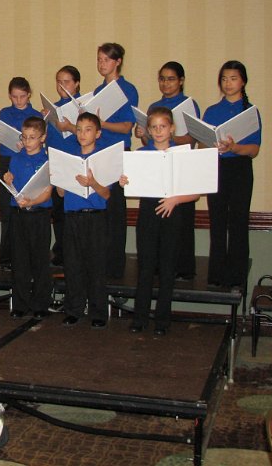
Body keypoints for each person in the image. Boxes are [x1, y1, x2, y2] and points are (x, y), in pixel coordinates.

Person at [119, 107, 200, 336]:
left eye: (162, 126)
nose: (158, 131)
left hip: (172, 213)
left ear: (171, 128)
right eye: (153, 127)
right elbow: (133, 184)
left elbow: (195, 193)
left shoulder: (182, 154)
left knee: (167, 268)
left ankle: (162, 321)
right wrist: (125, 181)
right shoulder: (141, 153)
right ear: (148, 130)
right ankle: (140, 318)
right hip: (148, 214)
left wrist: (175, 199)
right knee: (145, 268)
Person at [136, 61, 201, 282]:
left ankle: (182, 269)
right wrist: (143, 134)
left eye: (171, 79)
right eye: (162, 79)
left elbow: (193, 139)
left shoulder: (189, 104)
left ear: (181, 81)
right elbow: (149, 143)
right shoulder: (154, 106)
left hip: (178, 168)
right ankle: (157, 267)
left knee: (180, 225)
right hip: (156, 174)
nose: (166, 83)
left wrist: (170, 140)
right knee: (154, 229)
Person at [202, 61, 261, 289]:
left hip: (239, 168)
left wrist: (234, 147)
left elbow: (254, 149)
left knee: (238, 221)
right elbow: (202, 143)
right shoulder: (212, 111)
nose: (228, 83)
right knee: (217, 222)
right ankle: (216, 274)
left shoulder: (250, 111)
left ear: (243, 81)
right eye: (224, 79)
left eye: (233, 78)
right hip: (216, 167)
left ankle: (237, 276)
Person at [57, 112, 111, 329]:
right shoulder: (69, 157)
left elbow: (106, 194)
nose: (82, 134)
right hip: (72, 216)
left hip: (95, 217)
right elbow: (61, 193)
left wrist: (92, 183)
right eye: (78, 129)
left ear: (97, 133)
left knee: (96, 265)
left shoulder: (103, 160)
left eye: (88, 130)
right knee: (73, 264)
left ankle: (98, 312)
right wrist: (60, 180)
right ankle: (74, 309)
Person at [2, 116, 53, 320]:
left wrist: (32, 202)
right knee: (19, 260)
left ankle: (40, 304)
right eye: (24, 137)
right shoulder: (16, 158)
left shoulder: (46, 161)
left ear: (43, 138)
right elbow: (13, 187)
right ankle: (20, 304)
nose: (27, 141)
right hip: (19, 214)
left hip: (39, 215)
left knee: (40, 260)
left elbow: (47, 193)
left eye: (32, 137)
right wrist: (8, 180)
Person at [94, 42, 138, 278]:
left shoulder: (127, 89)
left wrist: (102, 123)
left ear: (118, 61)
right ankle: (100, 263)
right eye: (99, 59)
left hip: (119, 153)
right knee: (100, 209)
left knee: (116, 210)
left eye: (106, 60)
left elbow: (126, 127)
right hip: (99, 153)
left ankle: (115, 266)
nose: (102, 64)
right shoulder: (97, 91)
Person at [0, 77, 42, 268]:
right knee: (7, 210)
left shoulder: (36, 115)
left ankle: (27, 257)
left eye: (22, 96)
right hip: (7, 161)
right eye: (14, 97)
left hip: (28, 162)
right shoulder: (5, 113)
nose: (18, 100)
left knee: (26, 208)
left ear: (29, 95)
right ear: (10, 96)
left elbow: (42, 141)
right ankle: (7, 257)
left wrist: (26, 142)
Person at [46, 65, 83, 267]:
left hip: (75, 164)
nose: (61, 86)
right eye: (59, 81)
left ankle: (75, 252)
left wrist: (69, 126)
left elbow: (90, 135)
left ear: (76, 83)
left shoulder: (83, 107)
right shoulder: (53, 108)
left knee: (74, 212)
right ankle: (60, 250)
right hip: (55, 163)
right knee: (58, 212)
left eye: (66, 81)